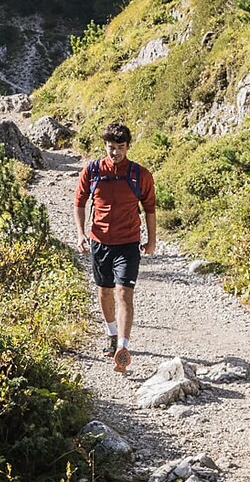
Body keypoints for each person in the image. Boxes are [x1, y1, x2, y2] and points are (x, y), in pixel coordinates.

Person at [75, 121, 157, 372]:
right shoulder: (92, 171)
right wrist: (80, 234)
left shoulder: (139, 174)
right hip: (99, 241)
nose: (115, 152)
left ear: (128, 147)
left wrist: (152, 240)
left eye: (120, 147)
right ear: (105, 146)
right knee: (104, 291)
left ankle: (123, 346)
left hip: (128, 243)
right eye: (111, 147)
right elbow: (79, 202)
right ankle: (111, 334)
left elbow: (150, 207)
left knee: (124, 293)